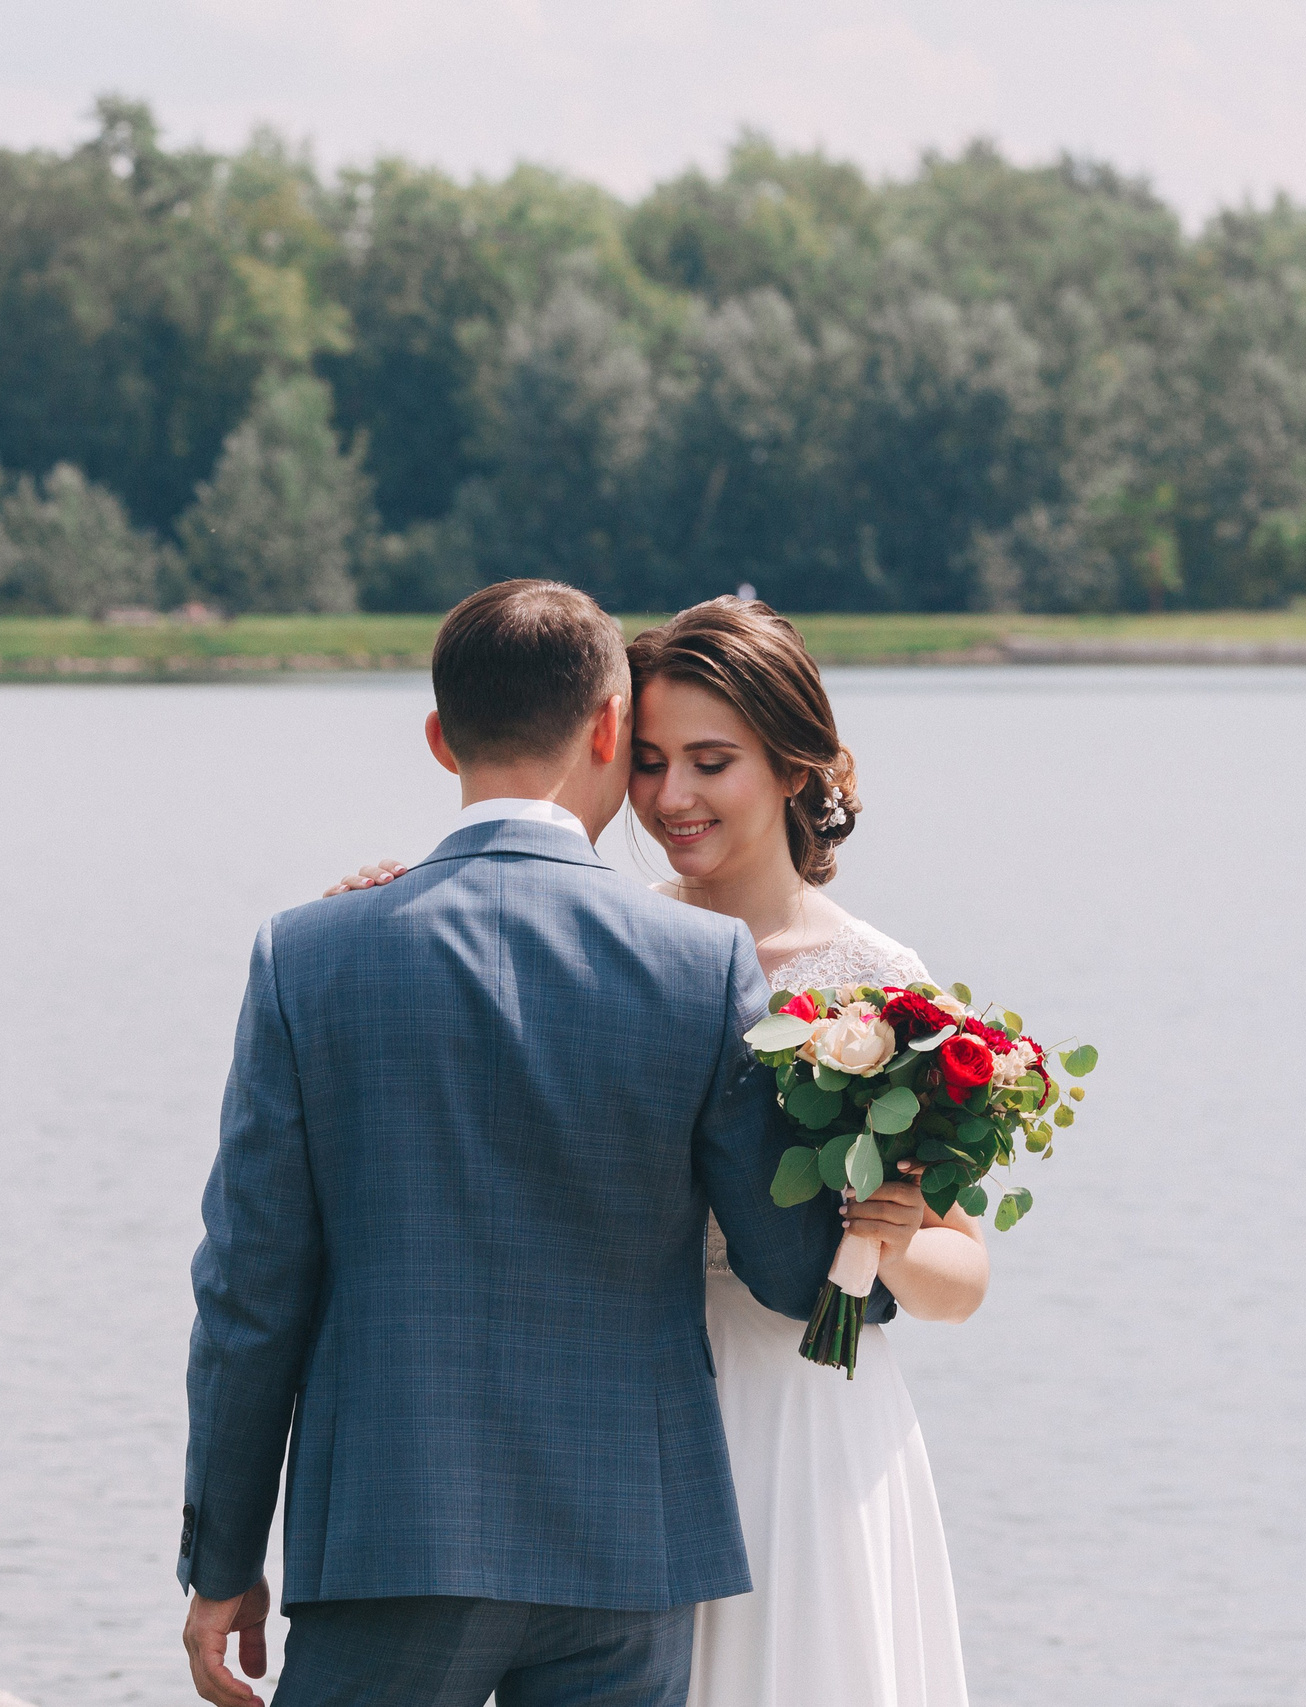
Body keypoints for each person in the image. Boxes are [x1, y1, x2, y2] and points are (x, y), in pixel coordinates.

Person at [180, 581, 849, 1707]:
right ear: (607, 728)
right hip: (629, 1547)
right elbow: (788, 1269)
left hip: (393, 1538)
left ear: (440, 739)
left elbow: (249, 1296)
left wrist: (222, 1561)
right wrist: (895, 1195)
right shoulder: (703, 967)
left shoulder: (309, 954)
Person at [314, 594, 981, 1706]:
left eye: (711, 761)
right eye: (652, 760)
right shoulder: (620, 944)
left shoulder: (876, 985)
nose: (671, 798)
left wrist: (893, 1235)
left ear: (791, 766)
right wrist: (398, 913)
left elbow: (962, 1278)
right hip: (616, 1425)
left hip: (799, 1420)